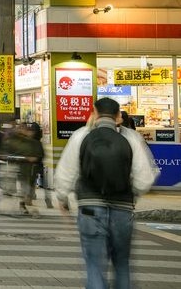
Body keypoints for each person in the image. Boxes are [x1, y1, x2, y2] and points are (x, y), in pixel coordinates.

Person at [55, 97, 158, 289]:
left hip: (89, 208)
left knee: (94, 265)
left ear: (93, 113)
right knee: (121, 264)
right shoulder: (132, 138)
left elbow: (65, 174)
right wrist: (131, 192)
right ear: (118, 116)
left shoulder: (81, 136)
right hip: (122, 209)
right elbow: (145, 179)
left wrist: (62, 198)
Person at [1, 122, 44, 215]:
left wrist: (34, 158)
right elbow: (7, 151)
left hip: (28, 170)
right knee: (19, 188)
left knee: (26, 189)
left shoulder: (34, 142)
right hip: (17, 168)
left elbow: (39, 155)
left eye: (24, 128)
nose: (23, 130)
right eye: (20, 128)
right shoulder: (14, 140)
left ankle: (23, 203)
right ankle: (21, 204)